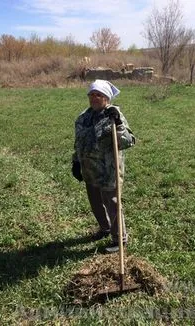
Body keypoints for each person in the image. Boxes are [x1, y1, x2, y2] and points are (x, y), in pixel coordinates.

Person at [72, 79, 135, 253]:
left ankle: (119, 238)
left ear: (106, 98)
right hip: (89, 171)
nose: (94, 98)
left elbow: (129, 141)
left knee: (112, 204)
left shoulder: (114, 115)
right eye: (91, 94)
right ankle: (105, 228)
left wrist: (119, 126)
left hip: (109, 170)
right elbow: (79, 142)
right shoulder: (83, 117)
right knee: (96, 203)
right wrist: (76, 160)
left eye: (98, 95)